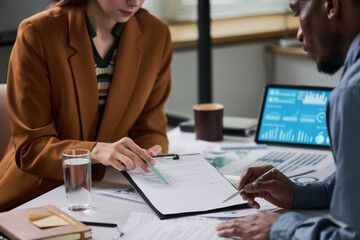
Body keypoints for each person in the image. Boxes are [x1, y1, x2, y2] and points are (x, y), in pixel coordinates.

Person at [0, 0, 172, 211]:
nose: (134, 2)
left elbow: (150, 126)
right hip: (38, 194)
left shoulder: (156, 34)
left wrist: (148, 151)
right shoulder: (38, 32)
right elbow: (31, 148)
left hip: (111, 191)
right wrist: (95, 151)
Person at [216, 0, 360, 239]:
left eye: (297, 14)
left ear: (332, 6)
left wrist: (280, 227)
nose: (300, 34)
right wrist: (298, 193)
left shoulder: (351, 93)